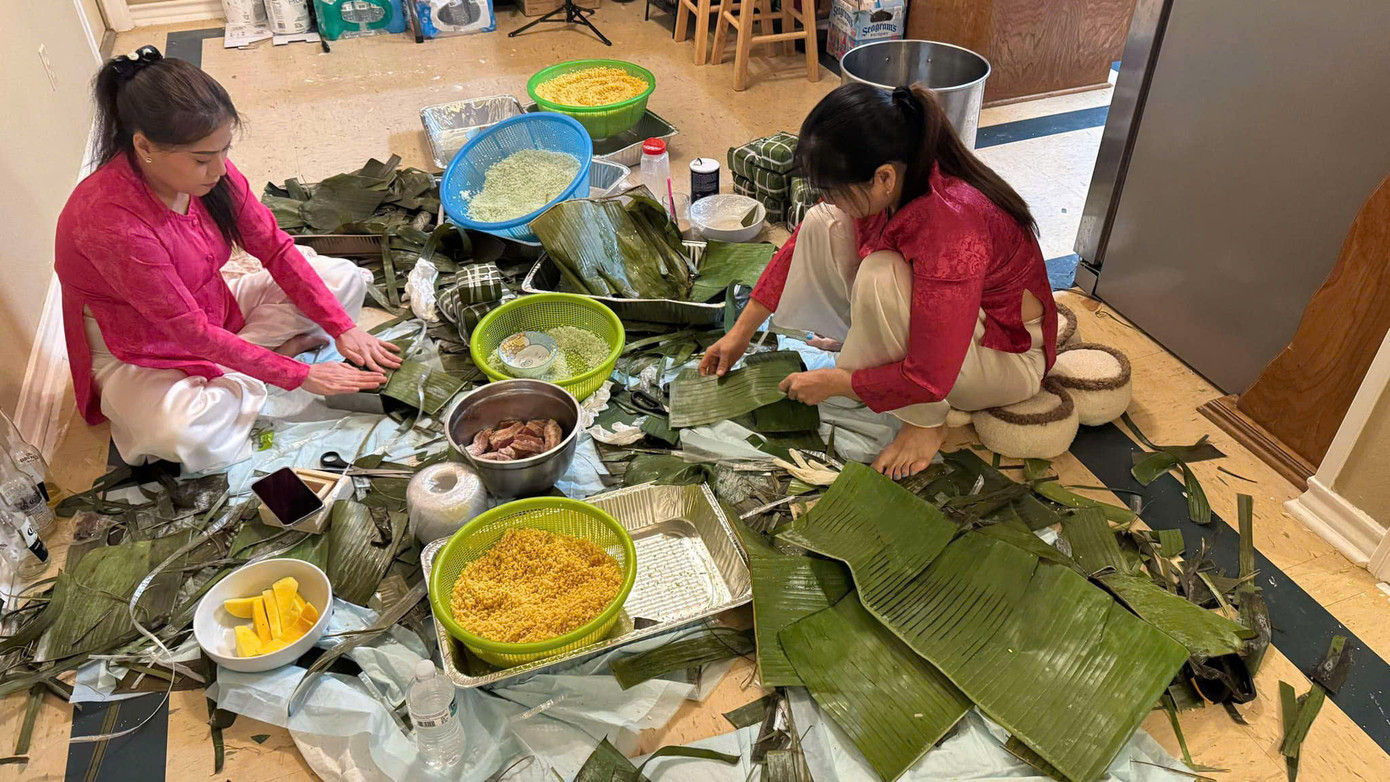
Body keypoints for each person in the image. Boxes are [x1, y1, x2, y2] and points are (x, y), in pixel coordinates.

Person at [54, 47, 401, 473]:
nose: (220, 169)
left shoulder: (211, 173)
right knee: (183, 433)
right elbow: (187, 332)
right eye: (203, 158)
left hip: (213, 310)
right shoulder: (110, 221)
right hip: (141, 346)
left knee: (344, 278)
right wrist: (298, 375)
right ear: (144, 146)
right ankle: (264, 365)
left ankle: (241, 373)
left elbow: (274, 247)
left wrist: (342, 327)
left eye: (224, 150)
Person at [700, 83, 1058, 478]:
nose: (829, 198)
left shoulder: (952, 226)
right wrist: (740, 334)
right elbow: (797, 246)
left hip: (1005, 361)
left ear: (883, 177)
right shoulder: (901, 174)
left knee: (881, 275)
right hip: (959, 333)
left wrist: (839, 382)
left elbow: (931, 375)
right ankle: (871, 360)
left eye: (835, 190)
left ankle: (924, 423)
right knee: (823, 223)